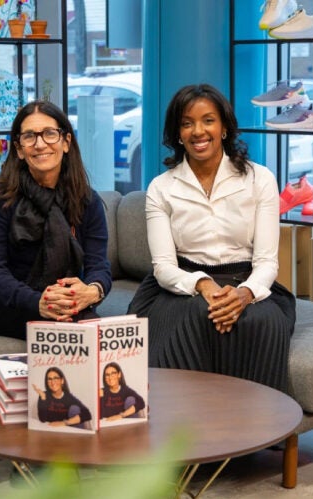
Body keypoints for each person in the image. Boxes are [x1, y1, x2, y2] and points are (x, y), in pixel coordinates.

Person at [127, 83, 297, 392]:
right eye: (187, 123)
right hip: (181, 284)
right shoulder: (161, 188)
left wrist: (244, 294)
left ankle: (257, 430)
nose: (198, 131)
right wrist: (204, 285)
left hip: (246, 280)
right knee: (196, 313)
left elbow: (267, 262)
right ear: (178, 134)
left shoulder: (260, 179)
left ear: (224, 128)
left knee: (261, 322)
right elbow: (164, 267)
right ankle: (186, 432)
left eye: (208, 120)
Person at [0, 100, 112, 338]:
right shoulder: (1, 198)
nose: (40, 144)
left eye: (50, 134)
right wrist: (39, 301)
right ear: (19, 149)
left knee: (88, 330)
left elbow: (99, 266)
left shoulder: (86, 199)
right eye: (30, 136)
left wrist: (92, 291)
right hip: (14, 307)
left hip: (70, 302)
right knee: (85, 333)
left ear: (66, 142)